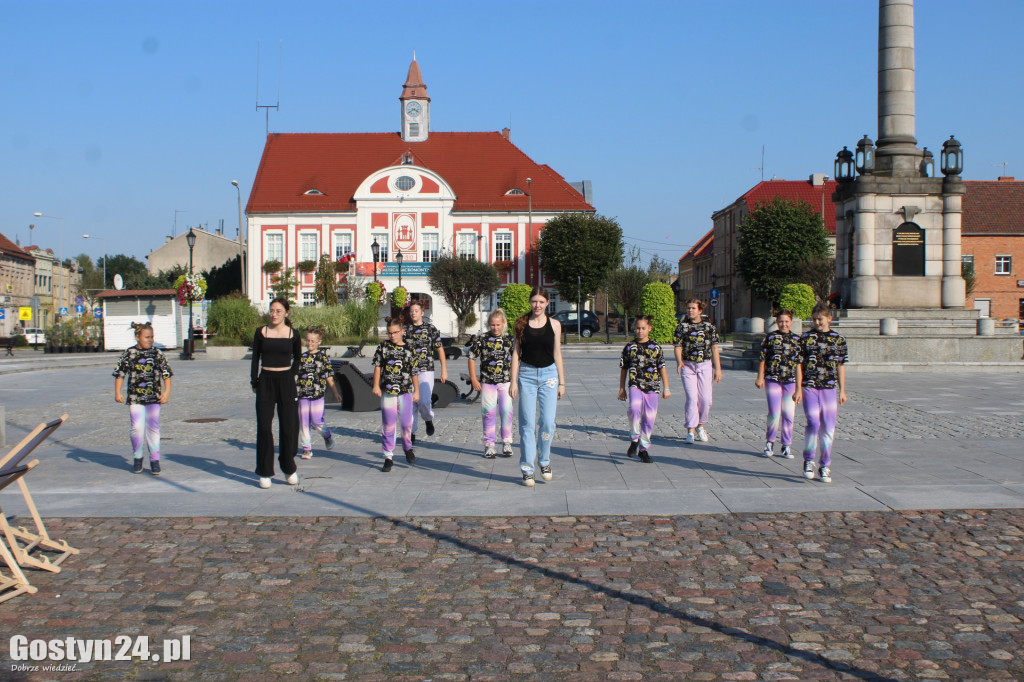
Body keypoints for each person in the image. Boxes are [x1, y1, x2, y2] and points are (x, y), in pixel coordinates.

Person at [509, 288, 566, 486]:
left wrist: (562, 381)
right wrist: (513, 381)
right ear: (530, 302)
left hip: (549, 376)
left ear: (547, 303)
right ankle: (527, 468)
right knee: (527, 424)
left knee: (548, 422)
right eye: (534, 301)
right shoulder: (521, 324)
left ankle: (544, 460)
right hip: (526, 375)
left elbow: (557, 353)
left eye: (541, 302)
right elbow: (516, 353)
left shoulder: (555, 325)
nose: (537, 305)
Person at [794, 302, 849, 483]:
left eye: (820, 319)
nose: (817, 322)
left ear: (829, 319)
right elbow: (798, 364)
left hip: (829, 387)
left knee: (828, 426)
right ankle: (808, 459)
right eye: (815, 319)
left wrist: (843, 390)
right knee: (813, 422)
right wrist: (798, 388)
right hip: (810, 385)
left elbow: (840, 366)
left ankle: (825, 464)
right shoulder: (805, 338)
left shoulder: (838, 339)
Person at [251, 297, 302, 489]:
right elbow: (255, 358)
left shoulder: (293, 335)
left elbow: (298, 358)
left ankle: (288, 465)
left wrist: (294, 375)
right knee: (264, 427)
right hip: (265, 381)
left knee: (289, 426)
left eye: (278, 311)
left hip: (286, 381)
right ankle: (265, 471)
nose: (274, 314)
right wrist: (254, 380)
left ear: (286, 313)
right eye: (272, 310)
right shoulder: (261, 333)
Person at [113, 321, 173, 475]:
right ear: (137, 337)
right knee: (137, 428)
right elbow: (120, 373)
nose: (150, 340)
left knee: (153, 428)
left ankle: (155, 460)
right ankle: (138, 457)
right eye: (147, 337)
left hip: (154, 397)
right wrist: (118, 392)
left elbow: (166, 373)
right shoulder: (129, 353)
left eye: (152, 337)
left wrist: (166, 392)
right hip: (135, 397)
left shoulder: (157, 354)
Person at [617, 316, 671, 463]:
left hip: (652, 387)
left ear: (649, 329)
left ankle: (643, 449)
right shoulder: (629, 347)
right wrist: (622, 388)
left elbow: (662, 368)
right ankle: (634, 439)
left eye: (643, 328)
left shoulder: (656, 347)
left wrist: (667, 387)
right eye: (638, 328)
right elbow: (624, 368)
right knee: (634, 409)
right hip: (635, 384)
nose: (640, 331)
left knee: (649, 418)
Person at [371, 317, 420, 472]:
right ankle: (388, 456)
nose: (392, 336)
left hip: (405, 391)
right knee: (388, 425)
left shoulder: (410, 349)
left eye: (395, 333)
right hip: (388, 391)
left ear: (402, 331)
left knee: (406, 423)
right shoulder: (383, 347)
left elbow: (414, 372)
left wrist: (417, 390)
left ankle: (407, 447)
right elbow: (378, 366)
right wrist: (376, 386)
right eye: (390, 333)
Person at [673, 298, 722, 445]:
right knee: (692, 398)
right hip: (688, 366)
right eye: (688, 308)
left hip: (705, 365)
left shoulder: (709, 327)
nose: (690, 310)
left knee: (706, 399)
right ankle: (690, 431)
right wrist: (679, 361)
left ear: (700, 310)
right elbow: (677, 345)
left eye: (693, 308)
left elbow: (714, 348)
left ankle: (700, 425)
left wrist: (718, 369)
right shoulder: (682, 327)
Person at [468, 308, 515, 458]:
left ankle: (507, 443)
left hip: (505, 382)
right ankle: (489, 445)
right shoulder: (482, 339)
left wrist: (514, 381)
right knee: (488, 413)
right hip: (487, 382)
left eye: (498, 325)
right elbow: (471, 357)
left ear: (504, 324)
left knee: (506, 412)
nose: (495, 328)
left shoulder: (509, 340)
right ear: (488, 324)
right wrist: (474, 379)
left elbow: (516, 360)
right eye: (492, 325)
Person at [754, 310, 801, 459]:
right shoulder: (770, 337)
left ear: (791, 322)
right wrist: (760, 377)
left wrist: (800, 388)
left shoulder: (797, 340)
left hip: (790, 381)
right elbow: (763, 358)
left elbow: (800, 365)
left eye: (786, 321)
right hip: (772, 379)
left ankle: (786, 445)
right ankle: (770, 441)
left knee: (788, 413)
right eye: (781, 321)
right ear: (777, 322)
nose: (783, 324)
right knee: (774, 413)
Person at [404, 301, 447, 442]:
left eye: (416, 310)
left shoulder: (430, 329)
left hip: (426, 369)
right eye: (411, 311)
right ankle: (411, 433)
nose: (413, 313)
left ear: (422, 313)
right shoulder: (406, 330)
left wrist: (444, 370)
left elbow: (439, 349)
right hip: (409, 371)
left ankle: (428, 419)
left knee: (424, 400)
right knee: (410, 404)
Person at [296, 327, 342, 459]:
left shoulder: (323, 357)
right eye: (308, 340)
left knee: (317, 420)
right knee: (303, 421)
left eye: (313, 341)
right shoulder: (302, 357)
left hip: (317, 394)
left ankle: (327, 435)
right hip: (303, 394)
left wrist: (335, 392)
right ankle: (306, 448)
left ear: (319, 342)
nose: (310, 343)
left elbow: (329, 377)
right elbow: (296, 375)